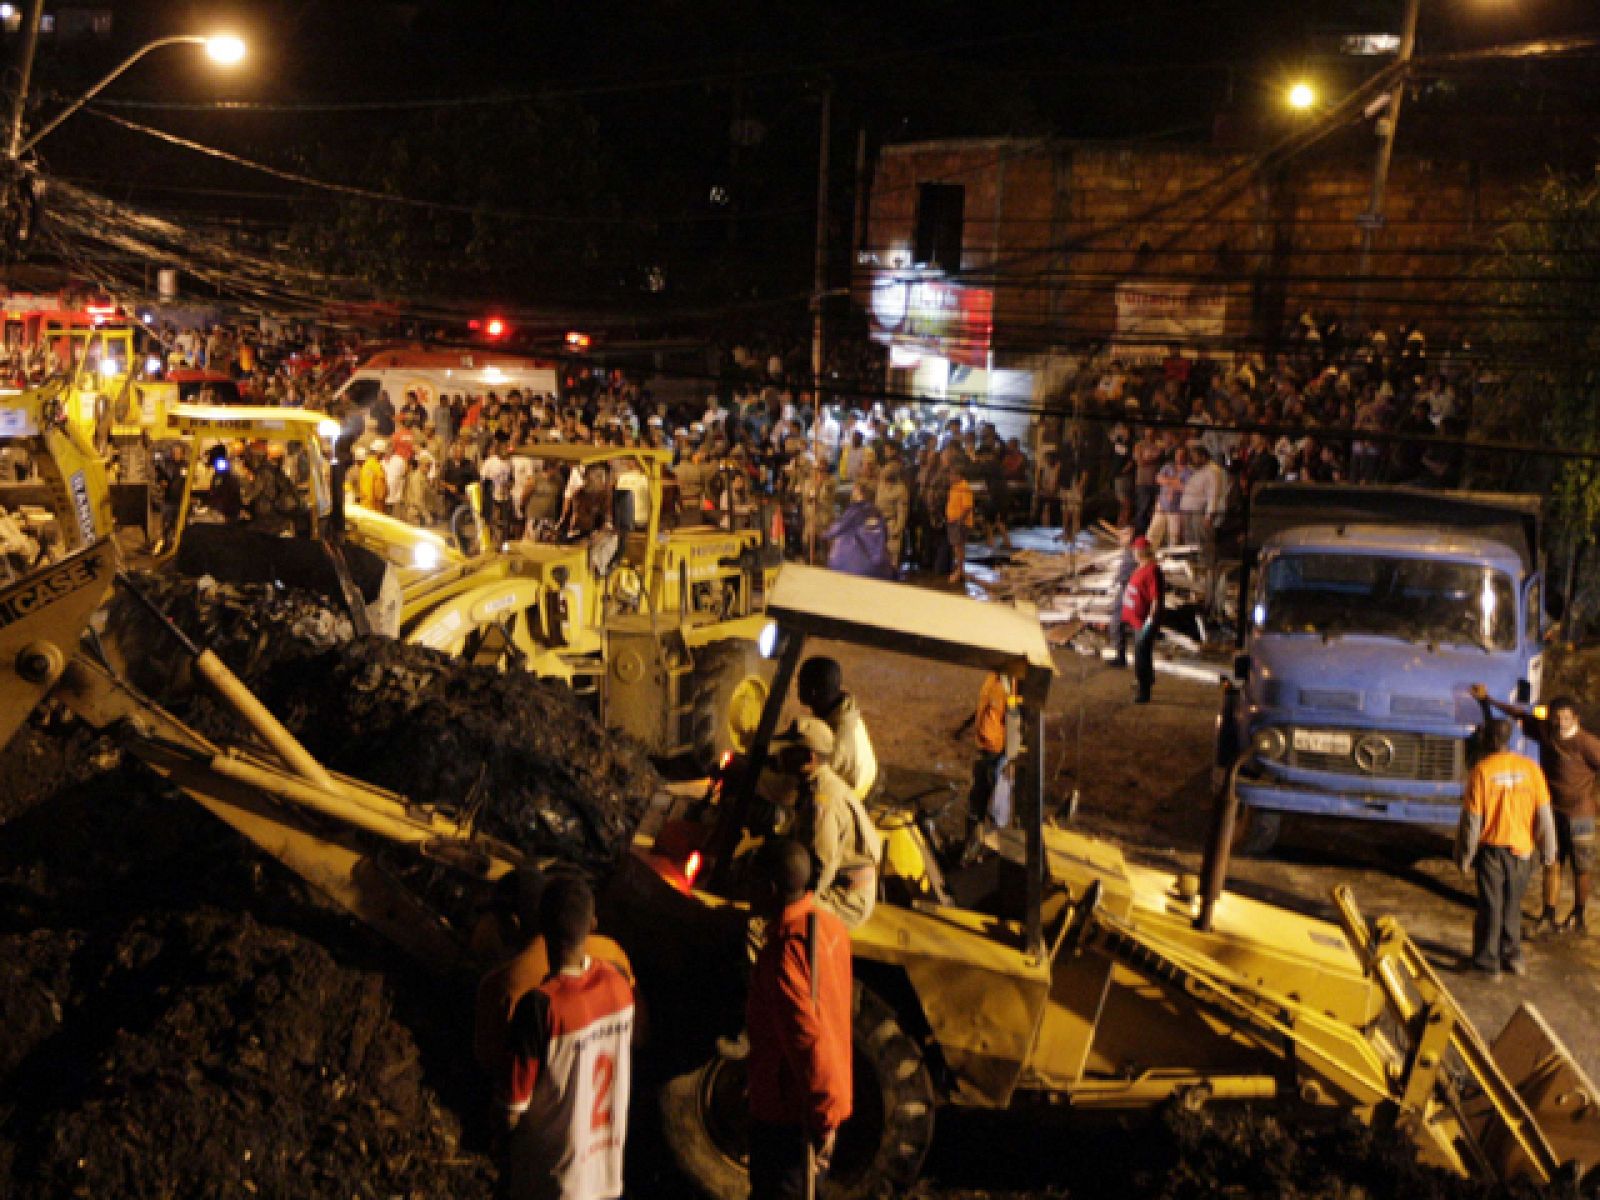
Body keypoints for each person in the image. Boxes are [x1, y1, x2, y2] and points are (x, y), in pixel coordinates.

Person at [502, 874, 635, 1200]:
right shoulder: (619, 984)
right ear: (592, 924)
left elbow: (512, 1109)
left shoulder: (540, 1006)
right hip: (605, 1179)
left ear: (541, 928)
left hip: (551, 1183)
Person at [745, 838, 853, 1200]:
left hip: (788, 1117)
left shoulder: (785, 954)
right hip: (816, 1106)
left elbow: (806, 1037)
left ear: (771, 889)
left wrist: (823, 1116)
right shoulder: (829, 928)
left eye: (754, 881)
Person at [1473, 688, 1600, 936]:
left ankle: (1579, 915)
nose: (1561, 723)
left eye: (1566, 718)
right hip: (1552, 811)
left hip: (1580, 814)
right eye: (1557, 717)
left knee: (1581, 867)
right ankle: (1548, 915)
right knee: (1551, 862)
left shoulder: (1588, 744)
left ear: (1576, 719)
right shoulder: (1545, 732)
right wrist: (1488, 700)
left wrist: (1594, 799)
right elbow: (1517, 713)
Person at [1455, 718, 1557, 979]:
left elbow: (1472, 821)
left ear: (1488, 739)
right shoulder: (1531, 769)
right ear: (1509, 738)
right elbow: (1544, 814)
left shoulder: (1482, 771)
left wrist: (1464, 856)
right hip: (1523, 850)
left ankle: (1487, 964)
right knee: (1512, 905)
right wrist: (1549, 850)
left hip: (1493, 850)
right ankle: (1513, 958)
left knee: (1491, 906)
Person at [773, 717, 881, 928]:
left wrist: (795, 902)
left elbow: (822, 868)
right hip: (838, 882)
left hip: (845, 897)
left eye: (790, 752)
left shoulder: (823, 801)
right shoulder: (815, 786)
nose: (782, 755)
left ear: (809, 759)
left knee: (766, 922)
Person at [963, 662, 1023, 864]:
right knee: (977, 805)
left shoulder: (1011, 683)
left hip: (1000, 753)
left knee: (997, 812)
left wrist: (1011, 759)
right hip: (988, 749)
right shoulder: (997, 679)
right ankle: (971, 848)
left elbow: (1014, 720)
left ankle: (993, 857)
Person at [797, 656, 878, 800]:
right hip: (859, 778)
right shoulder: (843, 710)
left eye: (800, 682)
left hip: (849, 795)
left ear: (813, 692)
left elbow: (810, 777)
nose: (796, 685)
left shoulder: (835, 742)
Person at [1122, 536, 1164, 704]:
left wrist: (1151, 619)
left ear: (1141, 552)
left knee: (1141, 654)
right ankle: (1147, 679)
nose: (1133, 553)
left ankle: (1144, 689)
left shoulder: (1152, 570)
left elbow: (1156, 598)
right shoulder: (1140, 568)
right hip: (1136, 618)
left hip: (1144, 621)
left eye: (1135, 550)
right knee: (1143, 652)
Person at [944, 461, 975, 586]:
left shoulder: (964, 488)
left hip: (959, 523)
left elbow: (968, 507)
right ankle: (958, 569)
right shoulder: (955, 487)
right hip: (953, 520)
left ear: (959, 475)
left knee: (959, 547)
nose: (950, 477)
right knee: (957, 547)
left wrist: (960, 521)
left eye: (952, 475)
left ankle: (959, 571)